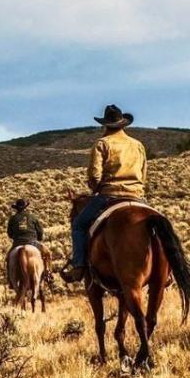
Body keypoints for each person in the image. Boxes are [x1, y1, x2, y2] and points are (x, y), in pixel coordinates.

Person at [61, 104, 148, 283]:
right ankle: (168, 272)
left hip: (110, 195)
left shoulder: (102, 144)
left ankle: (79, 266)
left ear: (105, 125)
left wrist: (94, 187)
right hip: (137, 196)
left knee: (78, 225)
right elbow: (144, 173)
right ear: (123, 124)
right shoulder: (137, 145)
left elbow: (94, 175)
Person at [6, 199, 52, 280]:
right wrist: (39, 238)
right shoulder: (32, 217)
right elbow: (40, 231)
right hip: (32, 242)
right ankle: (47, 273)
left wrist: (16, 237)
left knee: (8, 258)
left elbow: (10, 233)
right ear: (25, 207)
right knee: (47, 253)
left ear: (16, 208)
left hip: (17, 243)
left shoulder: (12, 219)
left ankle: (10, 278)